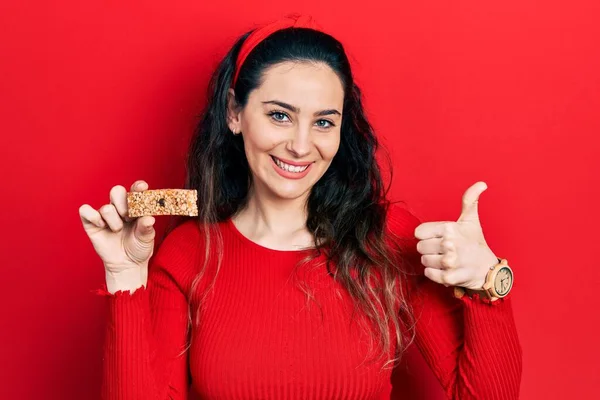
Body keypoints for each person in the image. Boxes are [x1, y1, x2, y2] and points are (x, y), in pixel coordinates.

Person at [79, 14, 522, 400]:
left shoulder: (387, 239)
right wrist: (125, 277)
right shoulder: (187, 253)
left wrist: (488, 283)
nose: (300, 146)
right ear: (235, 113)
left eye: (324, 122)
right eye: (279, 115)